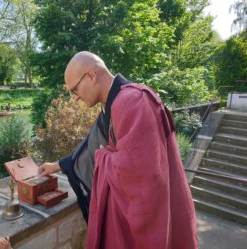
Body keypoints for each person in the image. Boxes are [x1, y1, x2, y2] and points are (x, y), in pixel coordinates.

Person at [38, 51, 198, 249]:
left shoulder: (132, 101)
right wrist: (58, 165)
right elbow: (89, 147)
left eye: (74, 90)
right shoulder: (111, 106)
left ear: (91, 75)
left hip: (151, 220)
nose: (75, 98)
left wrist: (102, 155)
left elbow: (141, 175)